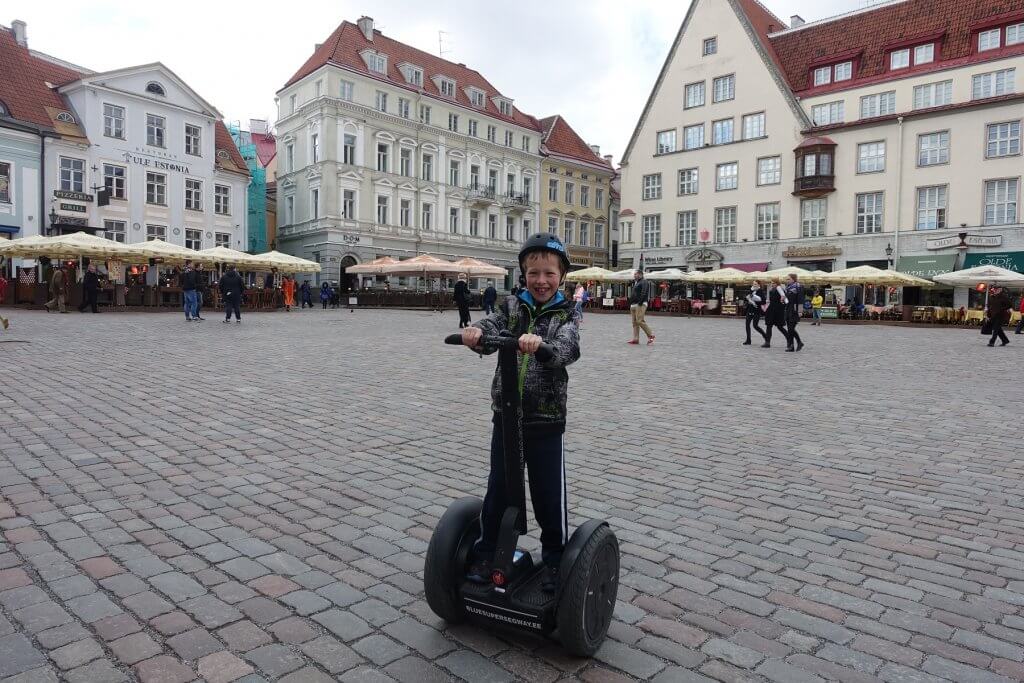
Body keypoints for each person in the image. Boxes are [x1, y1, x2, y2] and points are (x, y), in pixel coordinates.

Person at [461, 232, 580, 593]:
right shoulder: (513, 307)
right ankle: (486, 554)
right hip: (507, 415)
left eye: (549, 274)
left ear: (561, 276)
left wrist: (542, 345)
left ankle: (556, 561)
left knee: (547, 495)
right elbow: (493, 326)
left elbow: (568, 348)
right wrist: (475, 332)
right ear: (523, 274)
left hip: (545, 418)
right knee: (498, 487)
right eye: (533, 273)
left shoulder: (566, 312)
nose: (540, 281)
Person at [627, 270, 654, 345]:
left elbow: (644, 292)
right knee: (634, 323)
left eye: (636, 274)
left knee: (639, 320)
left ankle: (650, 335)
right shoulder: (636, 282)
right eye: (634, 274)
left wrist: (640, 302)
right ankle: (636, 339)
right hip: (633, 305)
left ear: (641, 275)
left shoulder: (644, 281)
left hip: (640, 304)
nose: (634, 275)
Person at [762, 277, 789, 349]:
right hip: (771, 310)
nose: (772, 284)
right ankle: (767, 342)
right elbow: (772, 300)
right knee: (769, 326)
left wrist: (783, 300)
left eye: (773, 283)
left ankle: (789, 340)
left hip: (778, 310)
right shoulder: (771, 290)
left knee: (780, 327)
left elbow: (786, 300)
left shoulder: (780, 289)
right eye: (771, 283)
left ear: (777, 283)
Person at [743, 280, 767, 346]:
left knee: (755, 326)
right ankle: (748, 340)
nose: (754, 285)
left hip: (756, 310)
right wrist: (747, 298)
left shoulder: (760, 291)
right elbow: (746, 298)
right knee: (747, 324)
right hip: (749, 309)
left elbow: (763, 302)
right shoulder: (751, 290)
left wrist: (755, 301)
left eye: (755, 284)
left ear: (759, 285)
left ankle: (765, 336)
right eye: (753, 284)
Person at [785, 273, 805, 352]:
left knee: (791, 328)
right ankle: (794, 345)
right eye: (787, 279)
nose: (787, 280)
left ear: (793, 279)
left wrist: (800, 311)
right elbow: (787, 299)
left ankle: (797, 343)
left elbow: (800, 299)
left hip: (795, 310)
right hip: (788, 309)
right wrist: (783, 300)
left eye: (788, 279)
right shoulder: (788, 288)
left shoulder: (798, 287)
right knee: (790, 329)